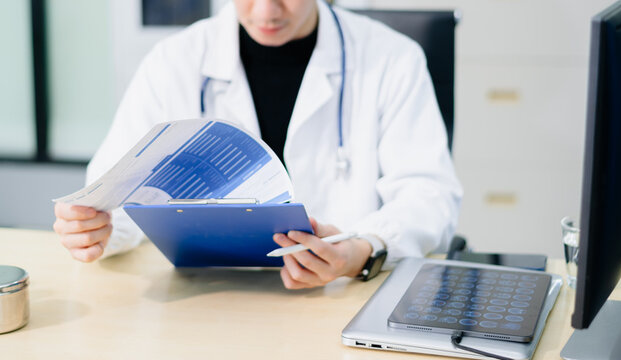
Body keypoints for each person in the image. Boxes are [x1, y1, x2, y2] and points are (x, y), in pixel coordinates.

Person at [53, 0, 462, 289]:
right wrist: (96, 229)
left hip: (341, 300)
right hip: (204, 302)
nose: (266, 11)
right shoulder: (173, 61)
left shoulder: (392, 59)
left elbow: (430, 196)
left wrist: (362, 249)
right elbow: (115, 195)